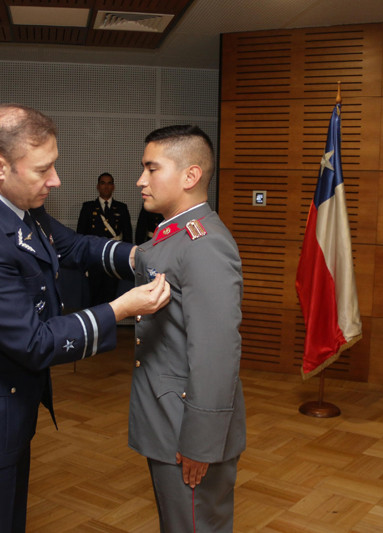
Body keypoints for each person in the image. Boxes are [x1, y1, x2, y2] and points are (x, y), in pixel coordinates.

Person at [0, 104, 170, 532]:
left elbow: (72, 246)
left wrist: (137, 256)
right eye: (43, 169)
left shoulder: (13, 203)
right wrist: (121, 309)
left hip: (5, 408)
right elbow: (33, 341)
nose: (55, 180)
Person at [130, 125, 246, 533]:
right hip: (168, 420)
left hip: (187, 430)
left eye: (151, 168)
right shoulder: (177, 233)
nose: (141, 180)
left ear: (190, 176)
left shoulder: (204, 243)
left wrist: (201, 442)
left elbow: (216, 352)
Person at [76, 172, 133, 305]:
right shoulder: (88, 207)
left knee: (111, 296)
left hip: (113, 259)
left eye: (109, 183)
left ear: (113, 187)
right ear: (98, 186)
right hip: (94, 258)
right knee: (94, 296)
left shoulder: (121, 208)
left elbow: (128, 236)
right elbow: (80, 235)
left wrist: (125, 260)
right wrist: (83, 261)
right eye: (103, 183)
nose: (106, 186)